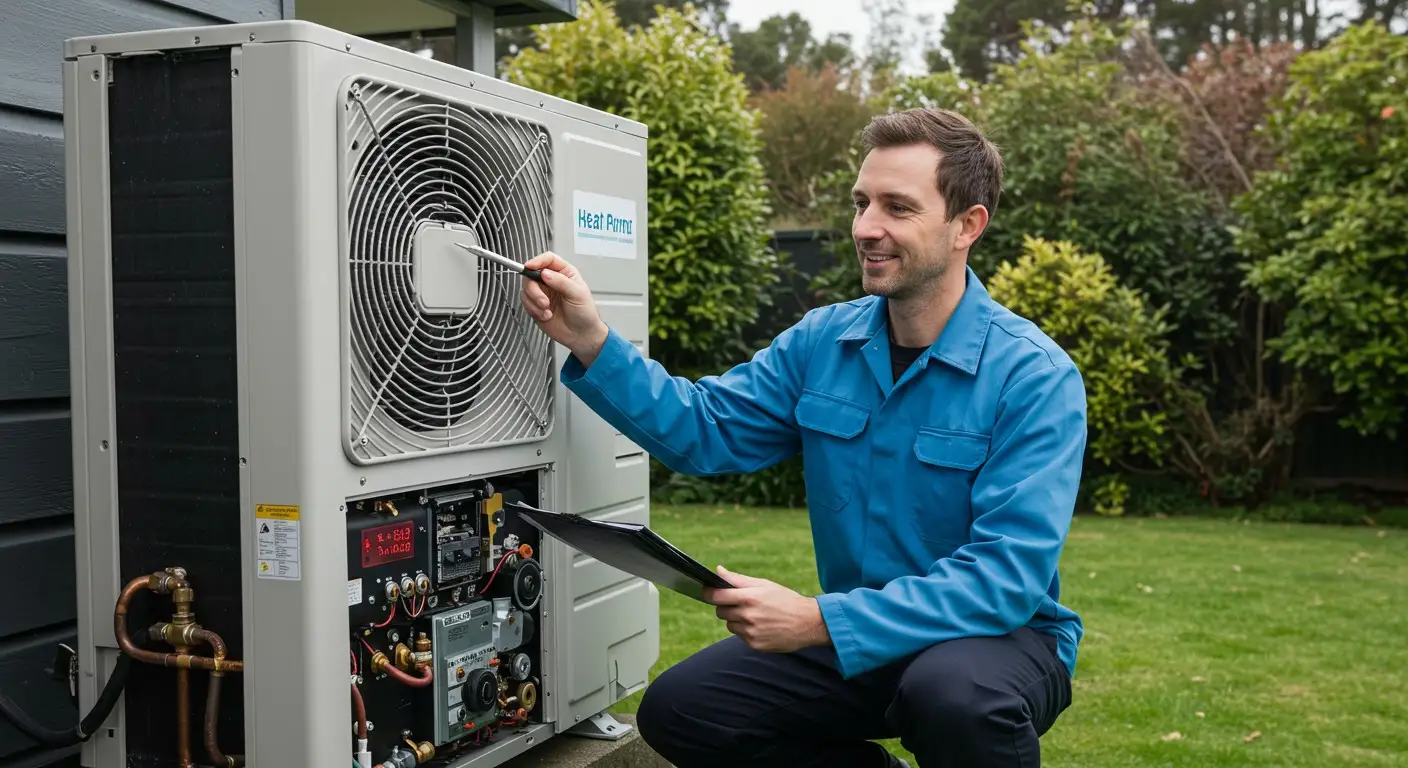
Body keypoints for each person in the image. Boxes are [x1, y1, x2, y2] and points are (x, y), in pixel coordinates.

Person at [518, 107, 1086, 768]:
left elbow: (1004, 580)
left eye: (897, 208)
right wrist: (589, 338)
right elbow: (703, 428)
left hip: (999, 639)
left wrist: (817, 623)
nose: (866, 228)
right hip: (862, 635)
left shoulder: (1034, 377)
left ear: (968, 225)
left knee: (952, 696)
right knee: (684, 711)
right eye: (861, 202)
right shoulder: (825, 342)